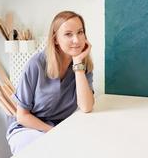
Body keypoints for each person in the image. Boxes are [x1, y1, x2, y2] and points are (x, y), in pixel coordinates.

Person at [6, 10, 94, 154]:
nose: (77, 40)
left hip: (62, 127)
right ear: (55, 39)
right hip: (28, 128)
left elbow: (86, 107)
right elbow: (22, 116)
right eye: (68, 34)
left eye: (80, 32)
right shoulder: (37, 64)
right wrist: (53, 131)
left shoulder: (83, 65)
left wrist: (77, 64)